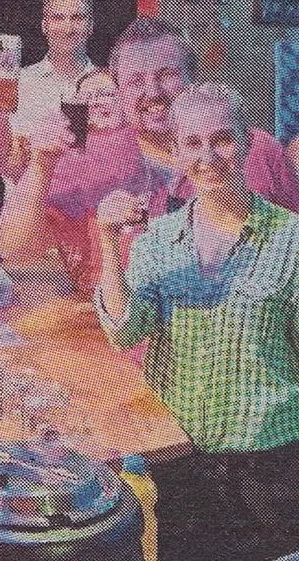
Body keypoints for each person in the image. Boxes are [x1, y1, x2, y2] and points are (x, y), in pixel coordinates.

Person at [96, 83, 299, 561]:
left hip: (270, 465)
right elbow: (125, 332)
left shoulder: (291, 240)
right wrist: (108, 242)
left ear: (247, 143)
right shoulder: (158, 239)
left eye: (222, 139)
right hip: (182, 464)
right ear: (175, 150)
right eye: (192, 143)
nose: (208, 157)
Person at [0, 69, 161, 292]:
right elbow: (15, 251)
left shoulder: (157, 147)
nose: (98, 101)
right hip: (95, 295)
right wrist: (40, 166)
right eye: (88, 97)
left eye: (108, 94)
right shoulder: (64, 164)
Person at [111, 16, 299, 211]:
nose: (153, 93)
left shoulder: (257, 148)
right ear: (119, 93)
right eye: (136, 82)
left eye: (167, 75)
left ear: (193, 79)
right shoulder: (102, 164)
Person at [0, 0, 97, 182]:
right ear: (44, 25)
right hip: (25, 200)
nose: (68, 28)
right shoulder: (16, 83)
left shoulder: (108, 87)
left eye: (77, 18)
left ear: (90, 25)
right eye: (58, 18)